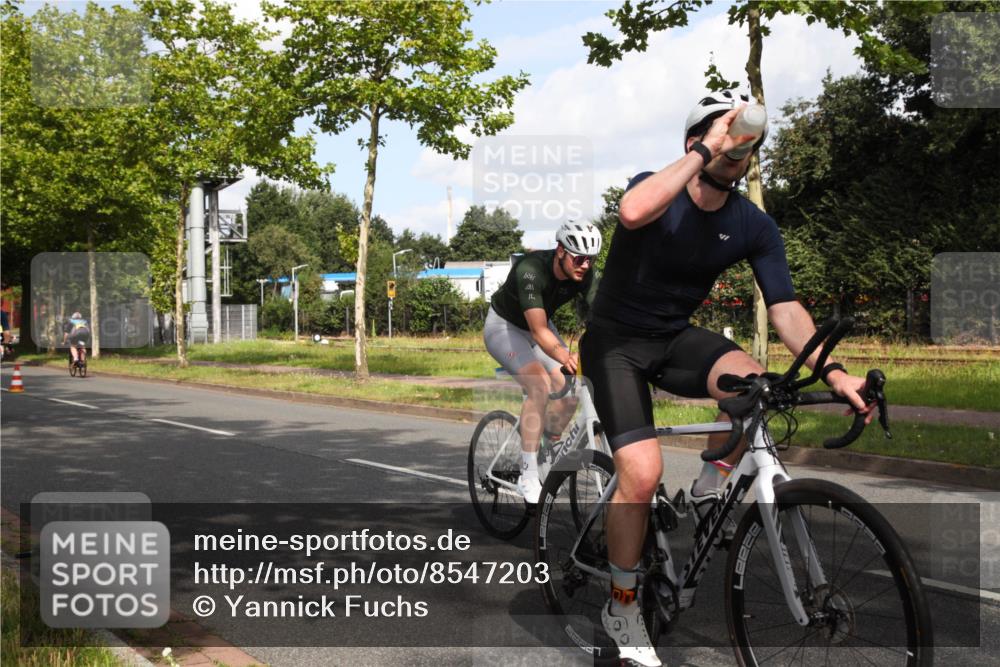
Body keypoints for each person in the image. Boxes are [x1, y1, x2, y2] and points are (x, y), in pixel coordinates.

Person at [580, 90, 874, 667]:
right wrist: (704, 149)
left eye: (744, 144)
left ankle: (708, 488)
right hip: (614, 344)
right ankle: (622, 605)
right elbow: (632, 212)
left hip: (673, 339)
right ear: (695, 141)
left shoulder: (751, 224)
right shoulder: (656, 187)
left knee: (758, 386)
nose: (736, 150)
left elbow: (785, 309)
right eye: (723, 138)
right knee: (642, 473)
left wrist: (836, 373)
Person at [484, 221, 602, 503]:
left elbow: (601, 317)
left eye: (590, 259)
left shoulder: (585, 273)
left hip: (541, 326)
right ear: (561, 251)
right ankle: (527, 475)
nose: (585, 265)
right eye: (579, 258)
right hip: (505, 327)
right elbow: (537, 331)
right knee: (539, 385)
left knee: (572, 387)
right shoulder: (530, 269)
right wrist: (566, 357)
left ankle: (546, 448)